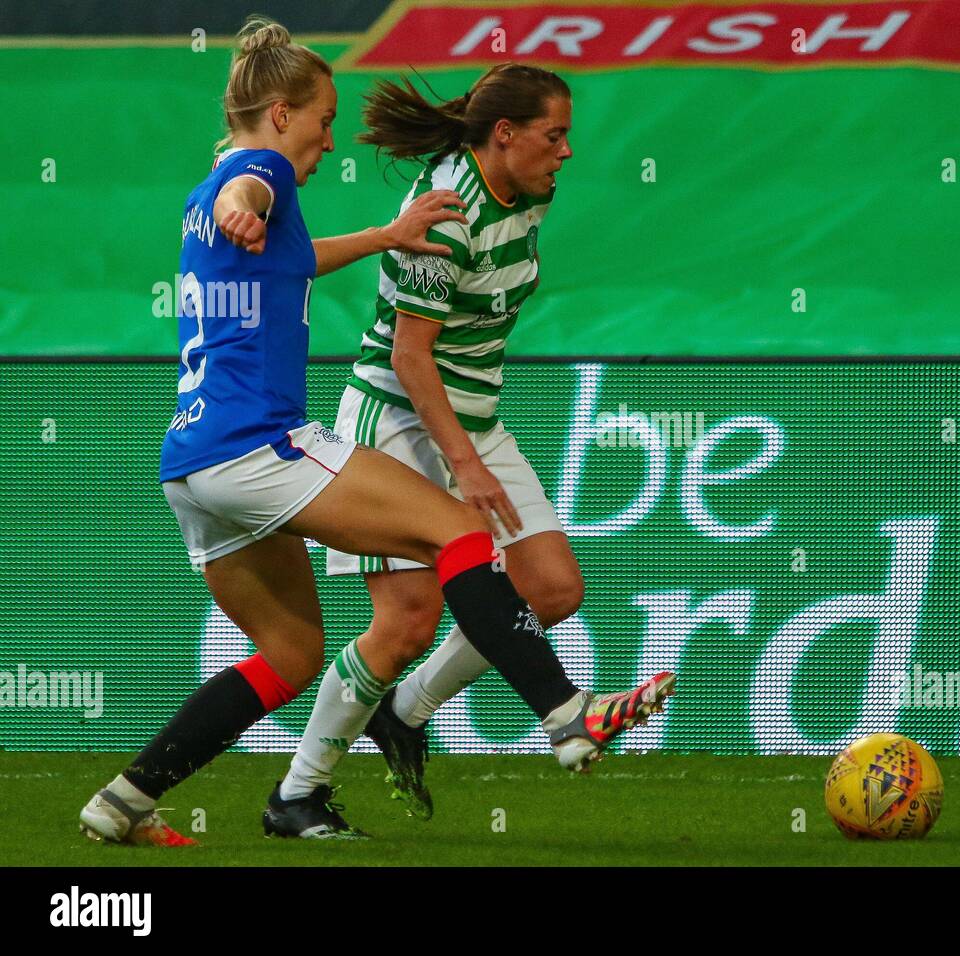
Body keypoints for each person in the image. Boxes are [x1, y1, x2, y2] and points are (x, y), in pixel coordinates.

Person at [77, 17, 673, 847]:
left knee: (290, 655)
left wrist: (381, 238)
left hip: (192, 462)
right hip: (261, 446)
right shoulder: (257, 173)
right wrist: (244, 204)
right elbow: (248, 191)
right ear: (281, 115)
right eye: (323, 122)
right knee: (459, 533)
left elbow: (285, 250)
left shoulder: (210, 188)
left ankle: (123, 802)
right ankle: (566, 714)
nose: (329, 142)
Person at [271, 64, 637, 829]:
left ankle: (404, 710)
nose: (567, 151)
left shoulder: (530, 188)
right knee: (406, 623)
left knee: (552, 589)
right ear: (505, 134)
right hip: (399, 418)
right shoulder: (445, 215)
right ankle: (297, 794)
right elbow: (411, 357)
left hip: (473, 416)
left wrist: (472, 448)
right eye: (554, 135)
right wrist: (463, 467)